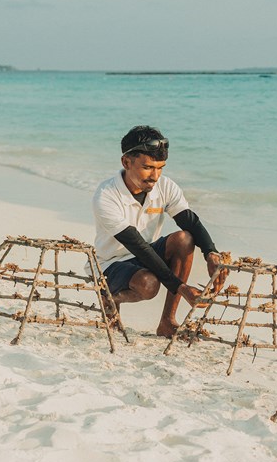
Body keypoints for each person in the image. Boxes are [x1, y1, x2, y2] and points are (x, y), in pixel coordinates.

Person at [92, 125, 226, 337]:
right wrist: (180, 287)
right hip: (111, 264)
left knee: (185, 239)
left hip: (148, 255)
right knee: (149, 285)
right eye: (147, 167)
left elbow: (190, 222)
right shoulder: (106, 195)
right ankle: (110, 296)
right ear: (126, 162)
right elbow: (137, 246)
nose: (155, 176)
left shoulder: (165, 186)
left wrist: (211, 252)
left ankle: (167, 322)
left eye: (160, 167)